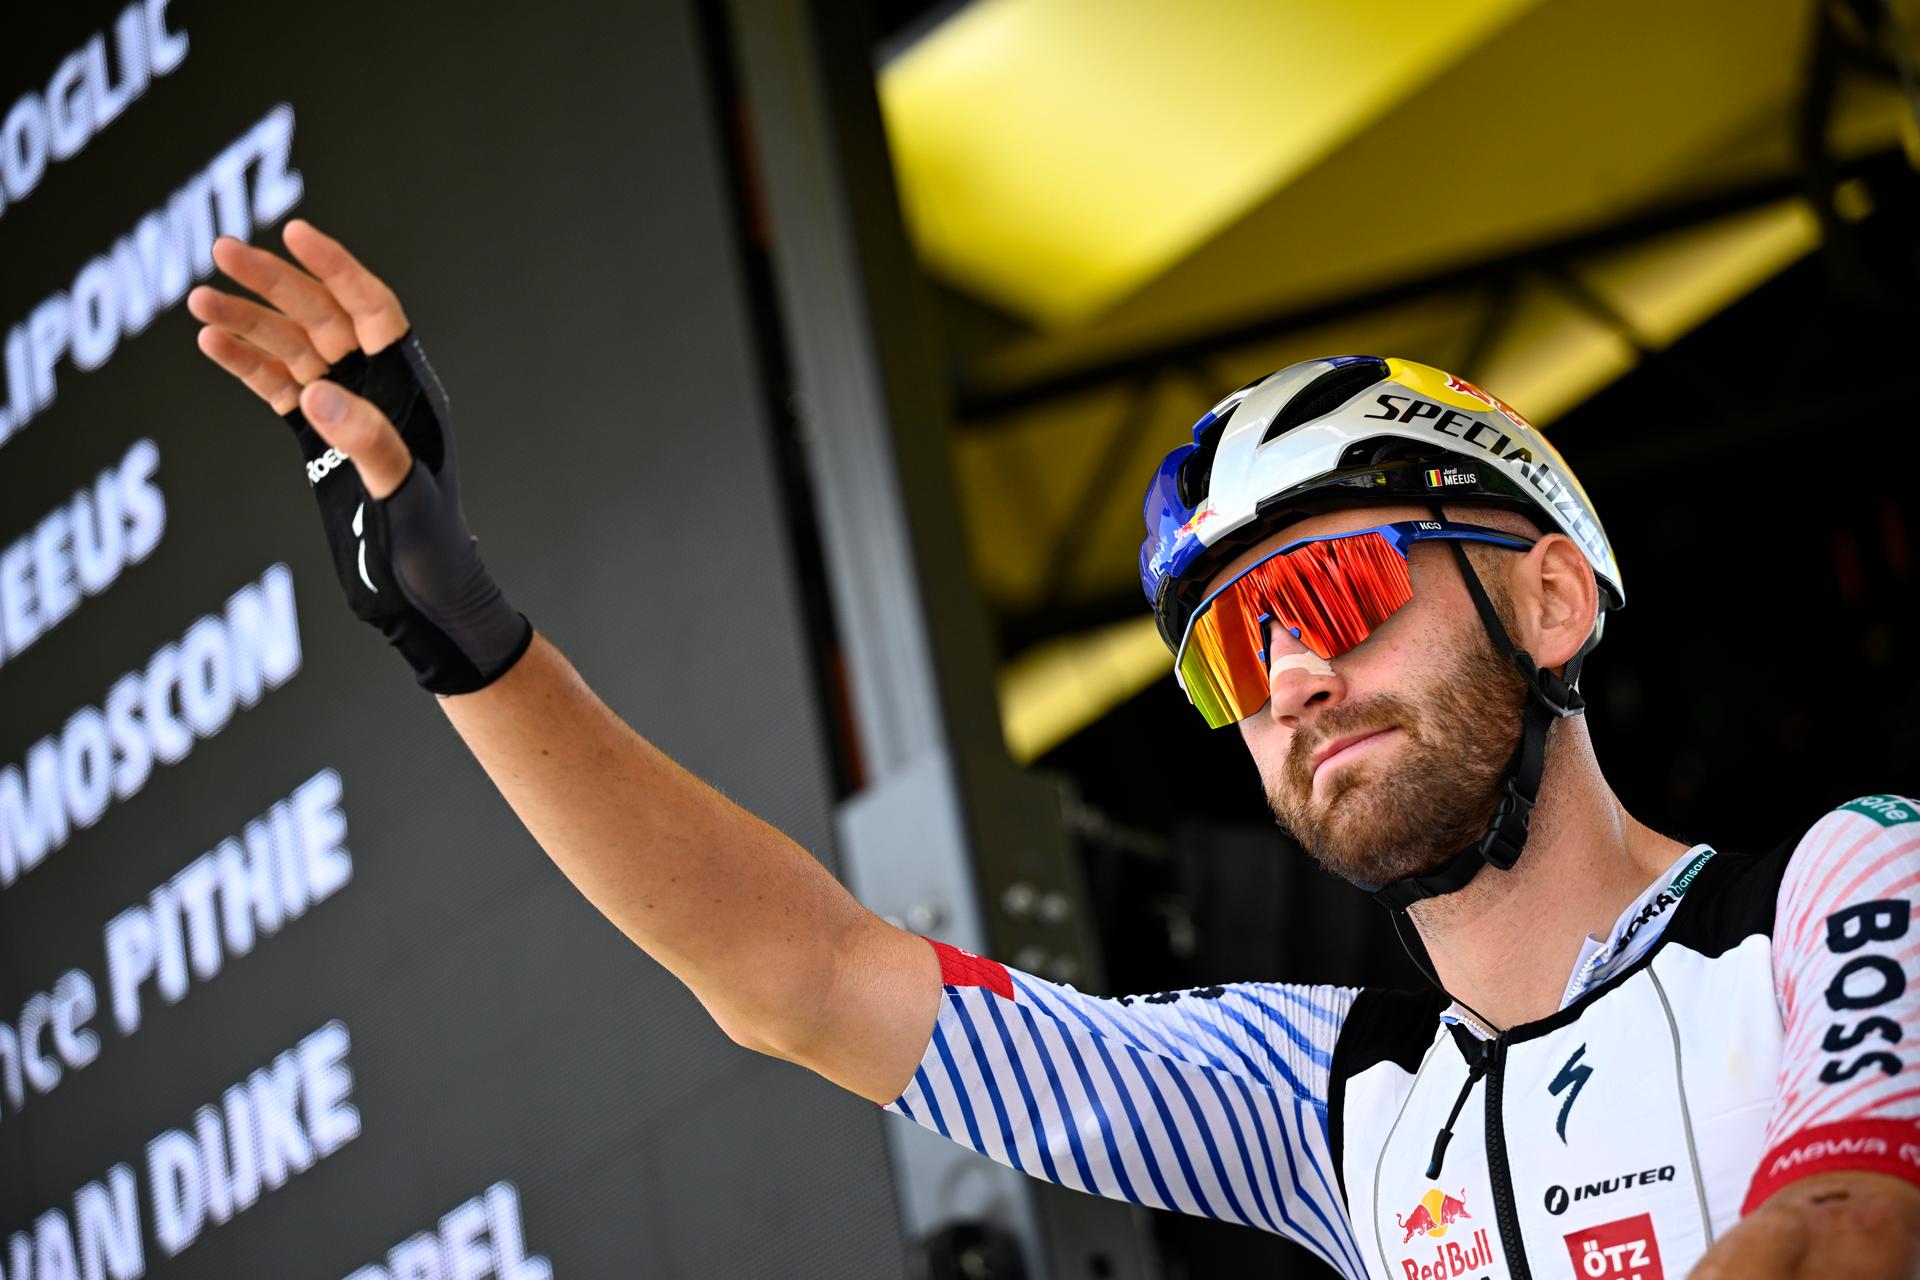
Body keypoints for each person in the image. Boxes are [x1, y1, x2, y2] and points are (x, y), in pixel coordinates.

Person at [193, 221, 1920, 1280]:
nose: (1293, 676)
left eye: (1333, 589)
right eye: (1236, 648)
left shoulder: (1846, 884)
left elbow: (1846, 1235)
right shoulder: (1324, 1099)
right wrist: (463, 637)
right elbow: (803, 976)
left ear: (1548, 599)